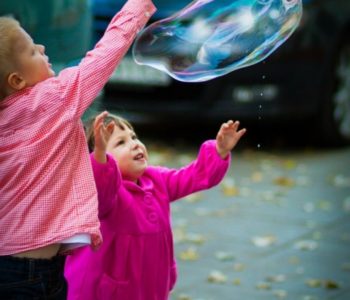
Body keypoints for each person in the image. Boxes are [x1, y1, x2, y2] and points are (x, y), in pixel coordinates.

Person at [0, 0, 156, 298]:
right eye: (33, 50)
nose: (43, 49)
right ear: (17, 80)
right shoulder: (51, 99)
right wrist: (137, 7)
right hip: (29, 274)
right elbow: (103, 56)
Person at [65, 111, 246, 299]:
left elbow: (195, 177)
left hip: (151, 285)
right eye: (121, 142)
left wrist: (219, 151)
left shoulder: (156, 179)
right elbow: (101, 191)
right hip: (106, 291)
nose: (134, 144)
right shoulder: (105, 193)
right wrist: (100, 155)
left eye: (133, 136)